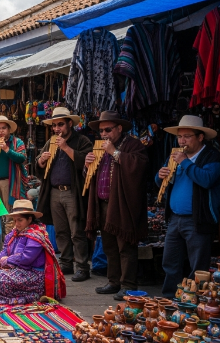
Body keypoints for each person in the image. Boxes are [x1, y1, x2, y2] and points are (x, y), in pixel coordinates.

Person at [83, 111, 149, 301]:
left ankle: (128, 285)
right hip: (103, 204)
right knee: (109, 246)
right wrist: (87, 167)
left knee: (125, 246)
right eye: (101, 131)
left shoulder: (133, 145)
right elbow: (93, 176)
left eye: (108, 130)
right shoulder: (100, 148)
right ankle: (113, 281)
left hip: (122, 203)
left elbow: (140, 166)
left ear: (119, 128)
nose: (103, 134)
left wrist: (115, 153)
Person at [155, 115, 220, 299]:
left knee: (198, 265)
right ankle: (169, 299)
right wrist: (159, 176)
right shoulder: (175, 156)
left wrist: (184, 161)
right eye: (179, 136)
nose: (182, 141)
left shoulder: (212, 157)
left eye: (187, 136)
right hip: (175, 218)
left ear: (200, 137)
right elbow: (161, 182)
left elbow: (206, 180)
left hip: (198, 220)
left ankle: (193, 301)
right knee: (170, 262)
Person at [36, 107, 92, 282]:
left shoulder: (82, 140)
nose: (57, 129)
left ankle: (82, 266)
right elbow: (38, 168)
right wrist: (41, 161)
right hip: (54, 192)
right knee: (60, 231)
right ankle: (66, 262)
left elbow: (86, 163)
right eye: (54, 125)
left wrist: (66, 148)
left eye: (60, 124)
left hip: (72, 192)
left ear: (69, 123)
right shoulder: (50, 142)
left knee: (77, 231)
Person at [0, 199, 66, 305]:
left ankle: (31, 295)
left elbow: (26, 259)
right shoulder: (14, 233)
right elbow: (6, 249)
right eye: (15, 221)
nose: (17, 224)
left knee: (0, 278)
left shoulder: (36, 235)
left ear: (29, 219)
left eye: (20, 220)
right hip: (17, 269)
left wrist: (6, 261)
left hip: (33, 275)